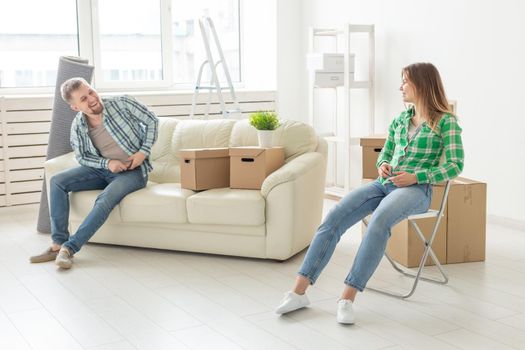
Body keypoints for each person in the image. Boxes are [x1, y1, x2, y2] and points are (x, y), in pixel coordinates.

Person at [275, 62, 464, 324]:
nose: (400, 87)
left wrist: (417, 176)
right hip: (384, 184)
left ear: (422, 84)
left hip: (416, 189)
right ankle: (298, 292)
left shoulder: (446, 123)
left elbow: (455, 166)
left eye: (405, 81)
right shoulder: (401, 119)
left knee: (379, 221)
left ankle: (347, 298)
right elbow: (385, 153)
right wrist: (382, 165)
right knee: (334, 217)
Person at [30, 77, 159, 269]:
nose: (91, 99)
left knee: (105, 198)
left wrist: (142, 152)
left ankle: (69, 249)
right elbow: (82, 157)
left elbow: (152, 121)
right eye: (83, 99)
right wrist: (107, 163)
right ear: (75, 107)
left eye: (90, 91)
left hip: (134, 171)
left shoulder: (122, 103)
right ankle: (57, 244)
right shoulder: (78, 126)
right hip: (102, 170)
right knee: (57, 181)